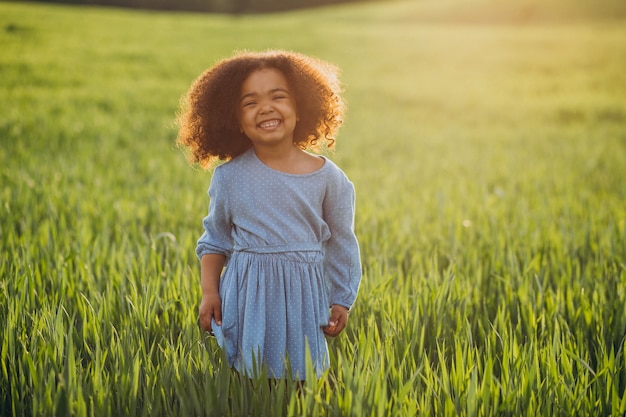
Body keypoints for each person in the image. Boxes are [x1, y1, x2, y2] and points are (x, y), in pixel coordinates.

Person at [177, 50, 361, 380]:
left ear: (301, 105)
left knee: (301, 376)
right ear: (233, 117)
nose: (266, 108)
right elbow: (215, 240)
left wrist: (342, 299)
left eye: (279, 96)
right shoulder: (229, 177)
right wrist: (209, 292)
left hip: (303, 297)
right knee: (247, 376)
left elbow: (342, 243)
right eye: (250, 102)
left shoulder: (329, 178)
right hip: (248, 295)